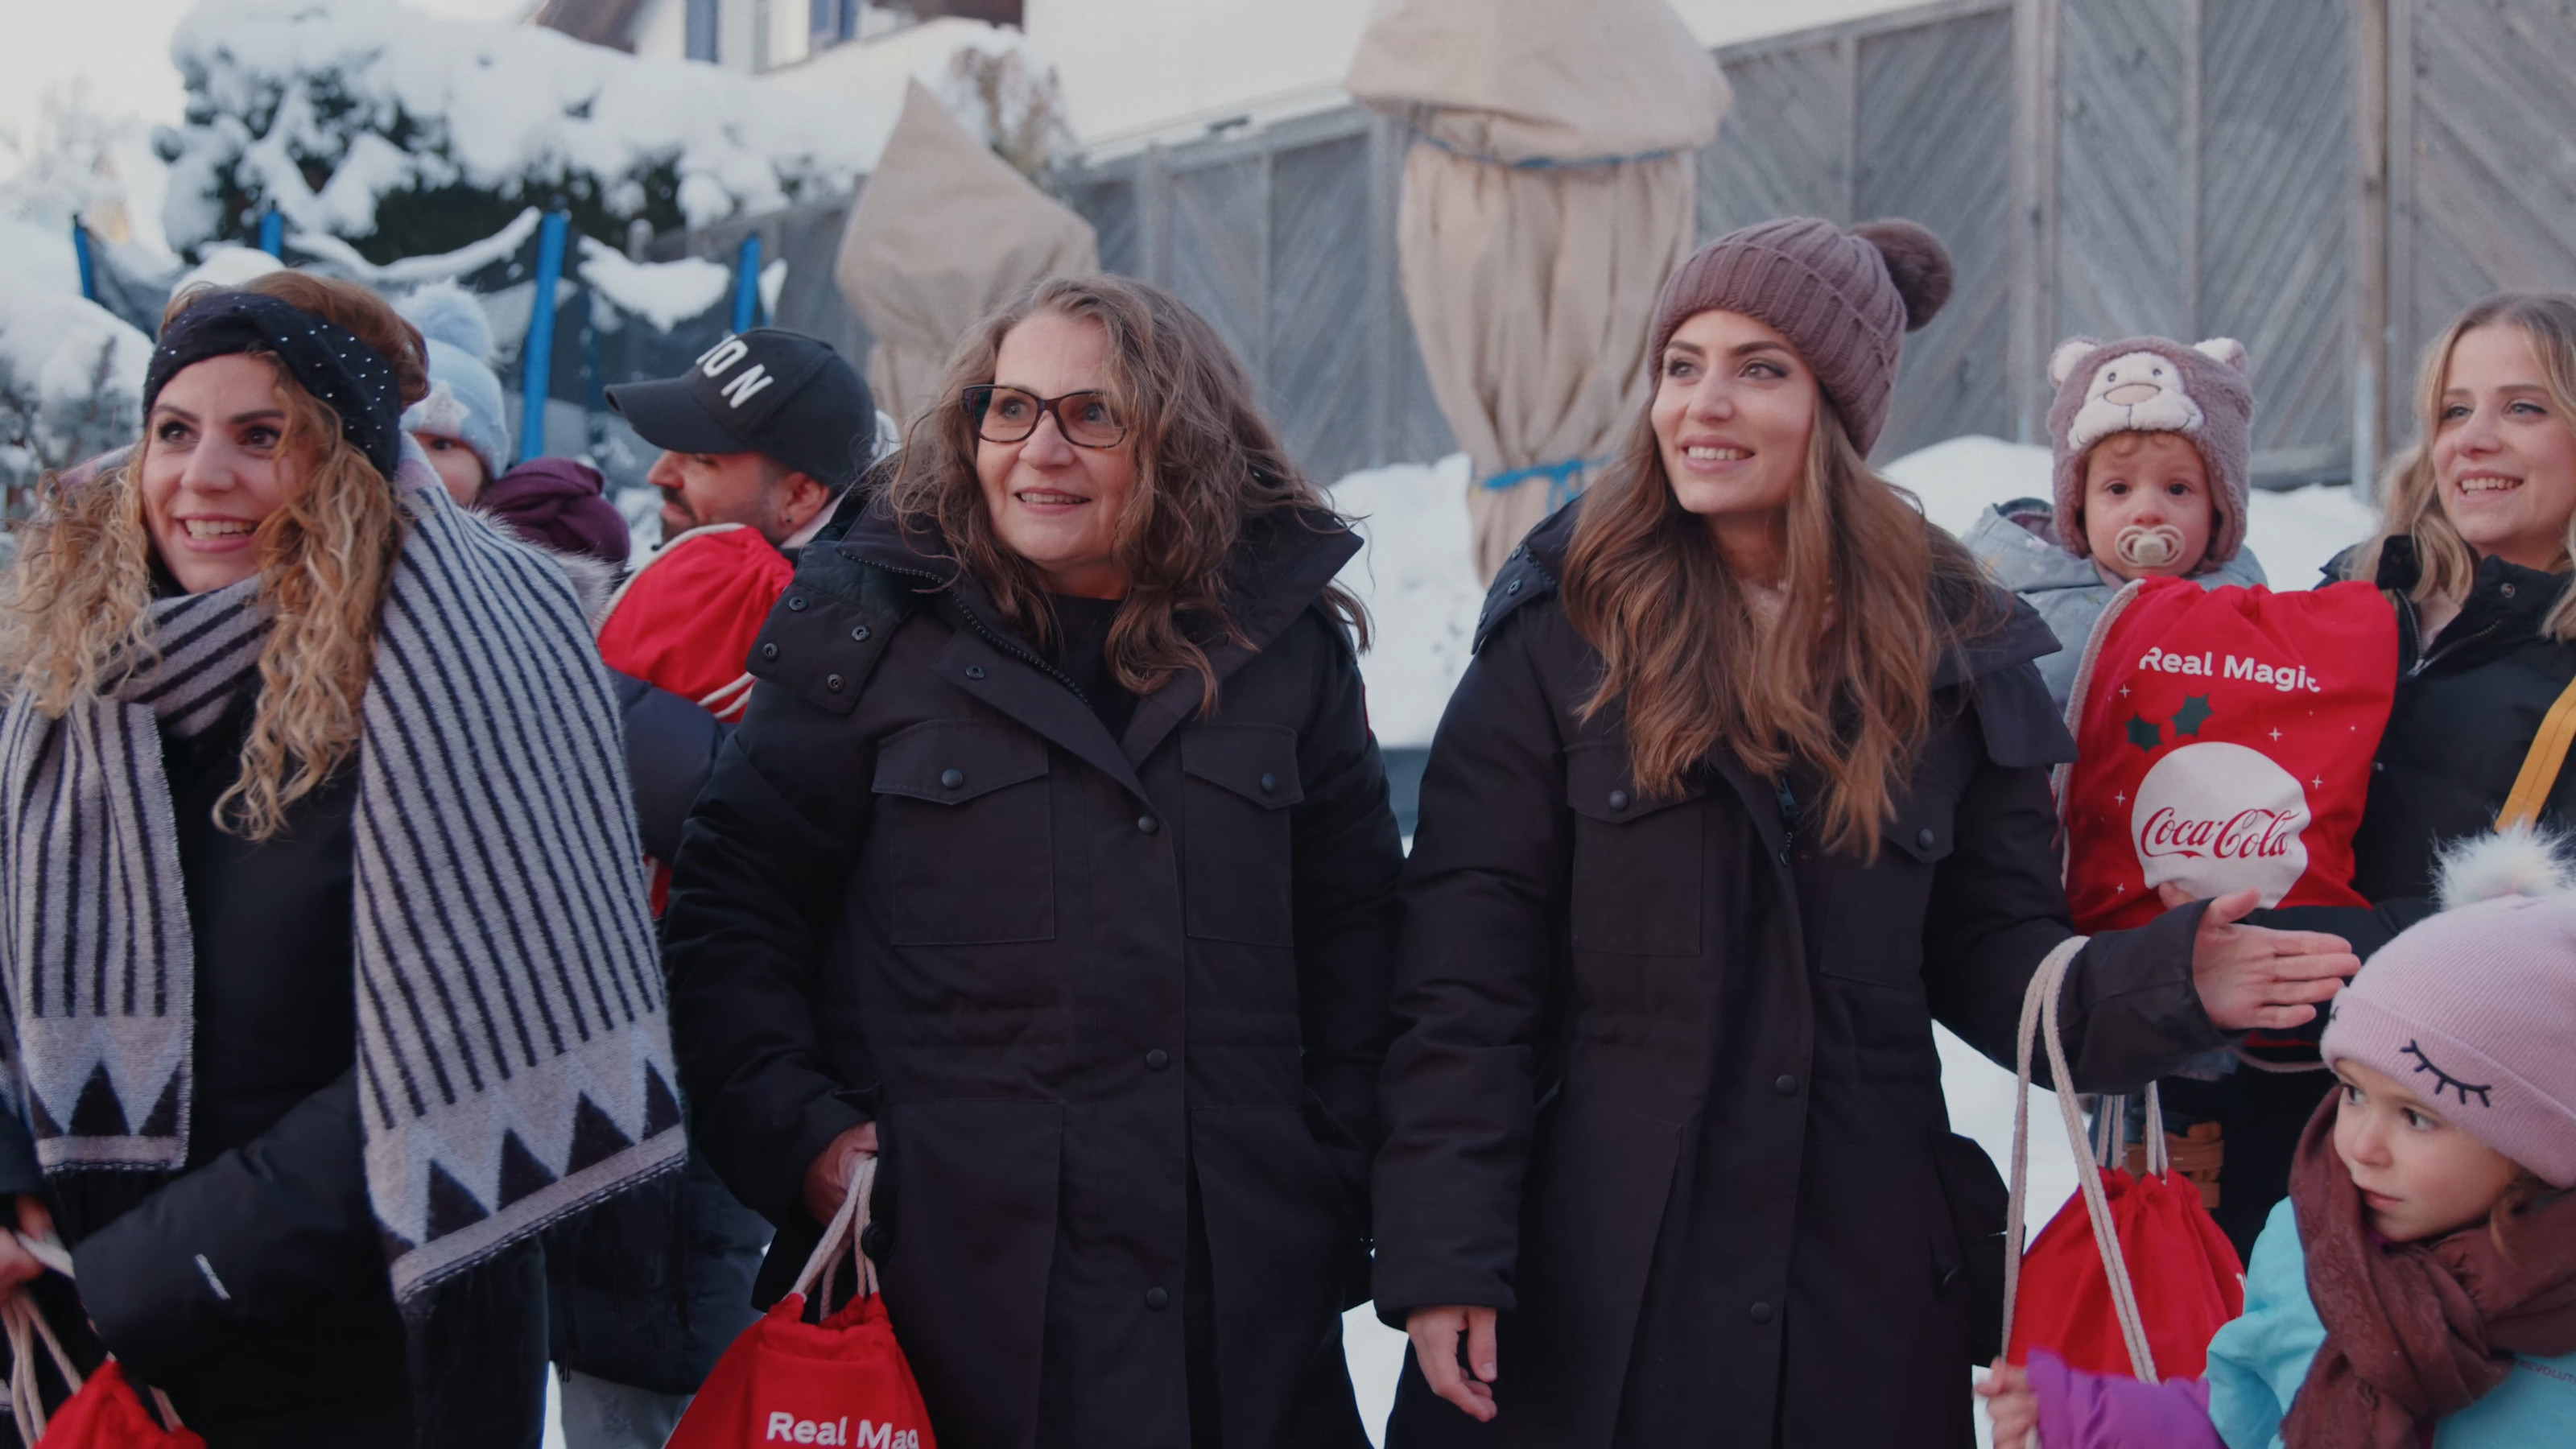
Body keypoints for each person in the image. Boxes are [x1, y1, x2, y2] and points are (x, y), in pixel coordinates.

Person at [1367, 216, 2360, 1448]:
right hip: (1591, 1271)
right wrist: (1445, 1248)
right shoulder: (1568, 626)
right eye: (1683, 365)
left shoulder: (1952, 644)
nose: (1705, 404)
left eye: (1759, 369)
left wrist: (2165, 980)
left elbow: (1998, 952)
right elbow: (1464, 971)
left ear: (1839, 406)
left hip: (1853, 1290)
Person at [663, 274, 1404, 1447]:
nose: (1038, 450)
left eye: (1091, 414)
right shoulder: (869, 627)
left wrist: (1327, 1170)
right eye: (1008, 410)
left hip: (1237, 1318)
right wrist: (804, 1136)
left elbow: (1361, 934)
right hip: (949, 1304)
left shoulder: (1285, 648)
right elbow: (733, 909)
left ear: (1180, 437)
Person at [0, 272, 685, 1447]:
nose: (200, 478)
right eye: (175, 431)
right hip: (88, 1330)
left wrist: (156, 1276)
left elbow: (473, 1051)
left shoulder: (463, 676)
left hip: (374, 1354)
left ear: (349, 467)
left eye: (261, 436)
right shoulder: (74, 682)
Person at [2169, 292, 2576, 1261]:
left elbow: (2542, 938)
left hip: (2438, 1149)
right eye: (2451, 410)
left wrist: (2269, 946)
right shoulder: (2354, 593)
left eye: (2522, 408)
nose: (2472, 440)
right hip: (2240, 1082)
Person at [1979, 829, 2576, 1448]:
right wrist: (2090, 1416)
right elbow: (2239, 1420)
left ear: (2536, 1146)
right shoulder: (2307, 1251)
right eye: (2353, 1093)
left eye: (2417, 1118)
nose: (2361, 1148)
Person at [1962, 333, 2268, 711]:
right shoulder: (2023, 595)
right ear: (2079, 509)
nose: (2148, 511)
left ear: (2219, 512)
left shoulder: (2245, 603)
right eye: (2119, 488)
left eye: (2177, 488)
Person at [397, 281, 630, 568]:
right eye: (398, 443)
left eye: (442, 445)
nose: (415, 462)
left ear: (487, 471)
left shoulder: (523, 557)